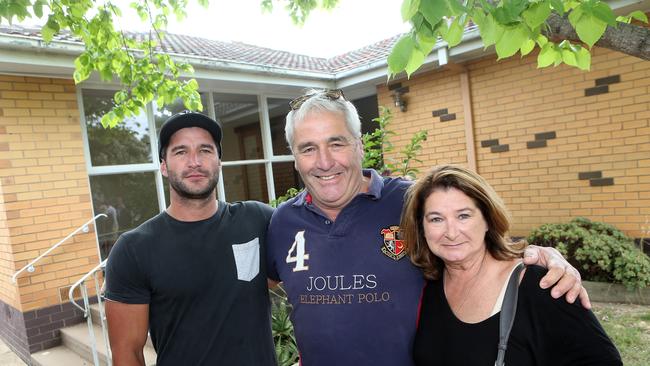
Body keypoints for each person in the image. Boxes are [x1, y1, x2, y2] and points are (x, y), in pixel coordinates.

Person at [266, 89, 590, 366]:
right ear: (294, 158)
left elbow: (471, 240)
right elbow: (250, 292)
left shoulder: (412, 202)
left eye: (336, 143)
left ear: (359, 145)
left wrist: (540, 256)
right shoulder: (282, 222)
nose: (324, 161)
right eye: (308, 148)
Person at [402, 165, 621, 365]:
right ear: (422, 227)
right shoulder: (427, 287)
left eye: (464, 216)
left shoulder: (542, 286)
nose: (451, 232)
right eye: (436, 219)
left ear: (487, 219)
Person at [104, 111, 277, 366]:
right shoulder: (133, 250)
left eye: (205, 150)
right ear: (163, 165)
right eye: (181, 152)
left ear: (219, 161)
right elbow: (127, 353)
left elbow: (314, 245)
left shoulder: (257, 220)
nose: (194, 162)